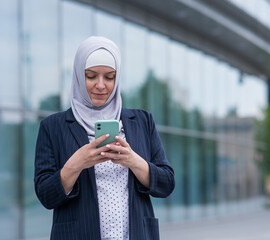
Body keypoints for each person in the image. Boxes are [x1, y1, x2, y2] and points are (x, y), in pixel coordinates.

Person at [34, 36, 175, 240]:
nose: (101, 85)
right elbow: (46, 196)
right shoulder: (53, 127)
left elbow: (167, 184)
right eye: (91, 76)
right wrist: (76, 164)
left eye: (109, 77)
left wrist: (133, 161)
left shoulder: (142, 121)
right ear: (78, 76)